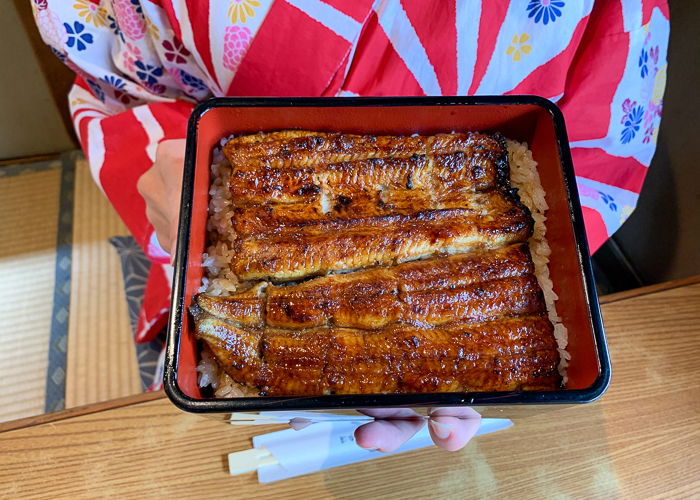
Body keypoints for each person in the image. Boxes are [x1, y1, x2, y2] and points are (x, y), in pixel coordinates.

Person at [33, 0, 669, 452]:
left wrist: (546, 266)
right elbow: (102, 53)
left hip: (497, 192)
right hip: (222, 224)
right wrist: (177, 167)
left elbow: (603, 103)